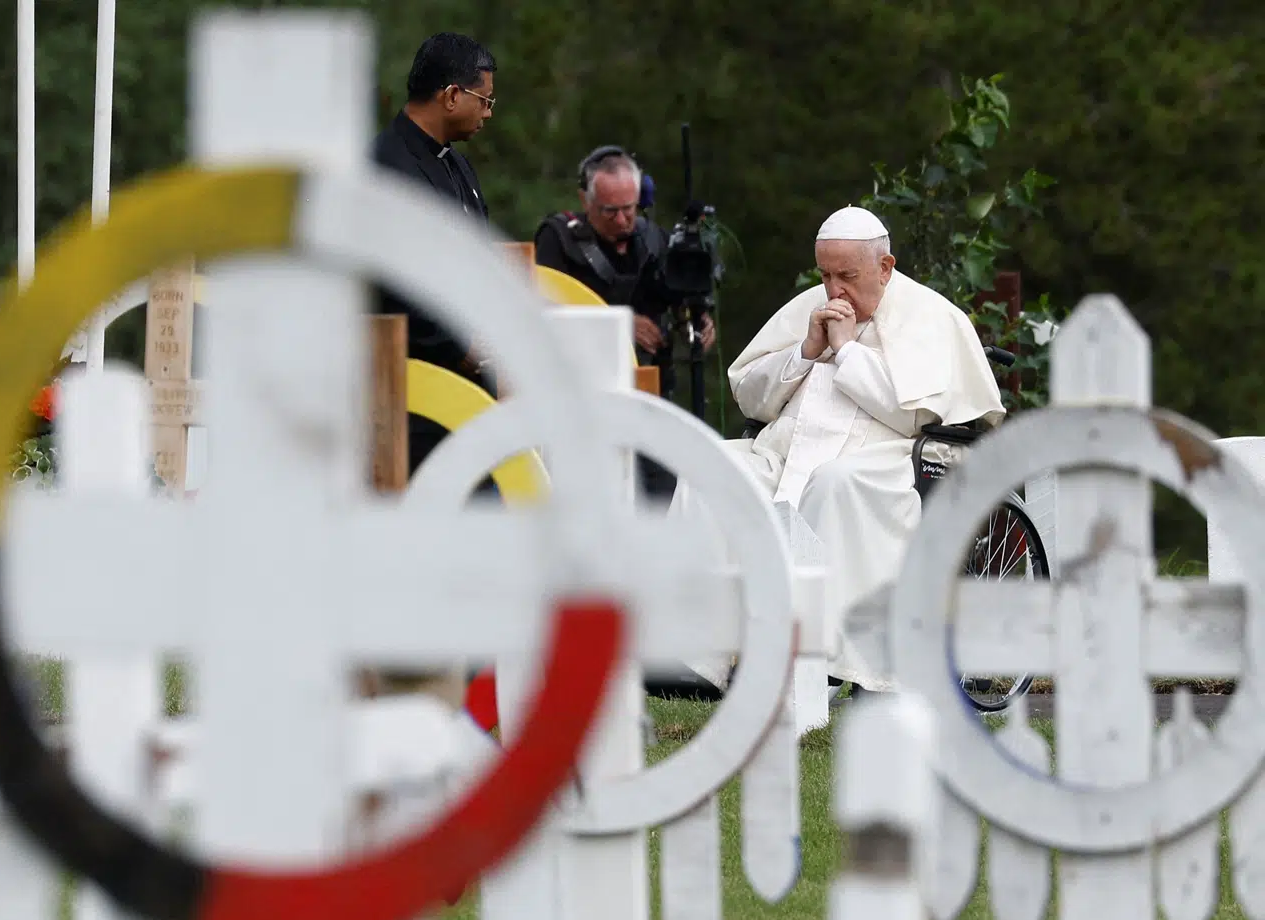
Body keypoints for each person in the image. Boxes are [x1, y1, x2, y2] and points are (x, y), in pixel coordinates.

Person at [719, 206, 1005, 690]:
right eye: (826, 275)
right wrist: (804, 352)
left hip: (889, 459)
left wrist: (848, 350)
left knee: (833, 484)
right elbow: (750, 397)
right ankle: (703, 655)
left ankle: (826, 660)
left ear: (885, 267)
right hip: (786, 451)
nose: (834, 291)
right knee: (716, 467)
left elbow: (913, 414)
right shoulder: (809, 307)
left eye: (847, 276)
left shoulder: (931, 316)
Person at [534, 146, 716, 499]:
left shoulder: (653, 239)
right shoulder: (559, 240)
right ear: (585, 202)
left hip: (650, 395)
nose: (621, 221)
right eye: (610, 211)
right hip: (582, 397)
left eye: (629, 210)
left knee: (662, 491)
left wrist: (695, 319)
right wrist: (621, 324)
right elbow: (543, 312)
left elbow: (675, 295)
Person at [371, 32, 497, 474]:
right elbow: (390, 279)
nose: (487, 113)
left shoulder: (458, 165)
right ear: (450, 96)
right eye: (484, 101)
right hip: (408, 390)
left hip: (469, 389)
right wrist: (457, 345)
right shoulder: (383, 166)